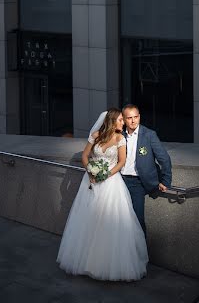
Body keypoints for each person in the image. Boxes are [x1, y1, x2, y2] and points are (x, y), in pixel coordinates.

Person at [56, 108, 148, 281]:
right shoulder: (96, 135)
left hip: (111, 183)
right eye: (120, 120)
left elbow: (121, 162)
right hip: (90, 182)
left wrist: (105, 175)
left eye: (123, 119)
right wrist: (90, 171)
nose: (123, 123)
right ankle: (85, 262)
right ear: (111, 121)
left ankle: (103, 264)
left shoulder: (120, 139)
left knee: (108, 222)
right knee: (88, 220)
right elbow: (85, 156)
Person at [121, 104, 172, 236]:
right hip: (119, 181)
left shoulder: (149, 135)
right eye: (129, 118)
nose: (133, 121)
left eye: (136, 117)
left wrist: (165, 181)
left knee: (137, 220)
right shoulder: (119, 135)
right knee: (118, 219)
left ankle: (141, 253)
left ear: (139, 117)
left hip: (137, 183)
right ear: (124, 119)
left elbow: (164, 159)